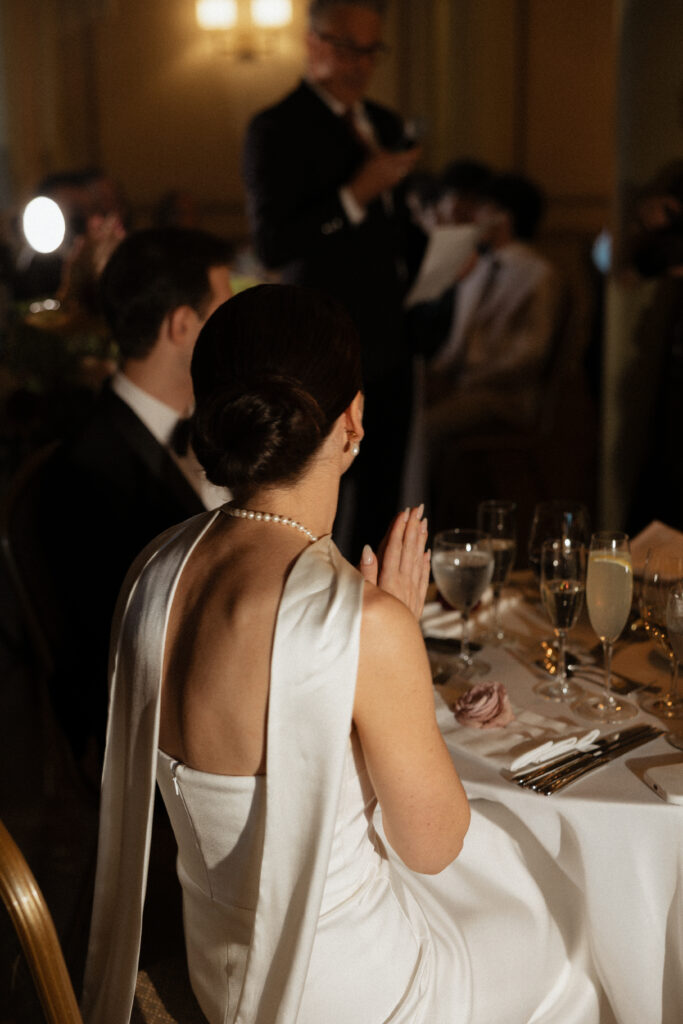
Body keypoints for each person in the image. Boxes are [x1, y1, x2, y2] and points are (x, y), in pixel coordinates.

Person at [82, 283, 600, 1023]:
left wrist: (368, 637)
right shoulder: (357, 621)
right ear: (352, 420)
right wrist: (387, 635)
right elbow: (432, 845)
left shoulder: (155, 570)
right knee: (571, 941)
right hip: (340, 994)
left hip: (219, 975)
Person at [36, 227, 234, 762]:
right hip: (164, 739)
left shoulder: (219, 427)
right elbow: (134, 653)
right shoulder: (89, 472)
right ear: (182, 326)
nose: (236, 331)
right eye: (226, 310)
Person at [242, 0, 425, 560]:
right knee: (319, 495)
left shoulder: (387, 124)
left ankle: (373, 622)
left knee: (384, 495)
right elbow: (273, 244)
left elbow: (398, 234)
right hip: (321, 346)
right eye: (350, 47)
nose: (362, 64)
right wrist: (353, 196)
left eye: (372, 50)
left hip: (393, 340)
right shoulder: (276, 128)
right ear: (313, 42)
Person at [423, 172, 564, 441]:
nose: (474, 217)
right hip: (465, 386)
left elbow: (531, 352)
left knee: (425, 428)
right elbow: (457, 341)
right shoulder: (478, 268)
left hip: (505, 395)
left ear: (503, 217)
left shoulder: (539, 274)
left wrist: (469, 380)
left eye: (482, 208)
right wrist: (434, 375)